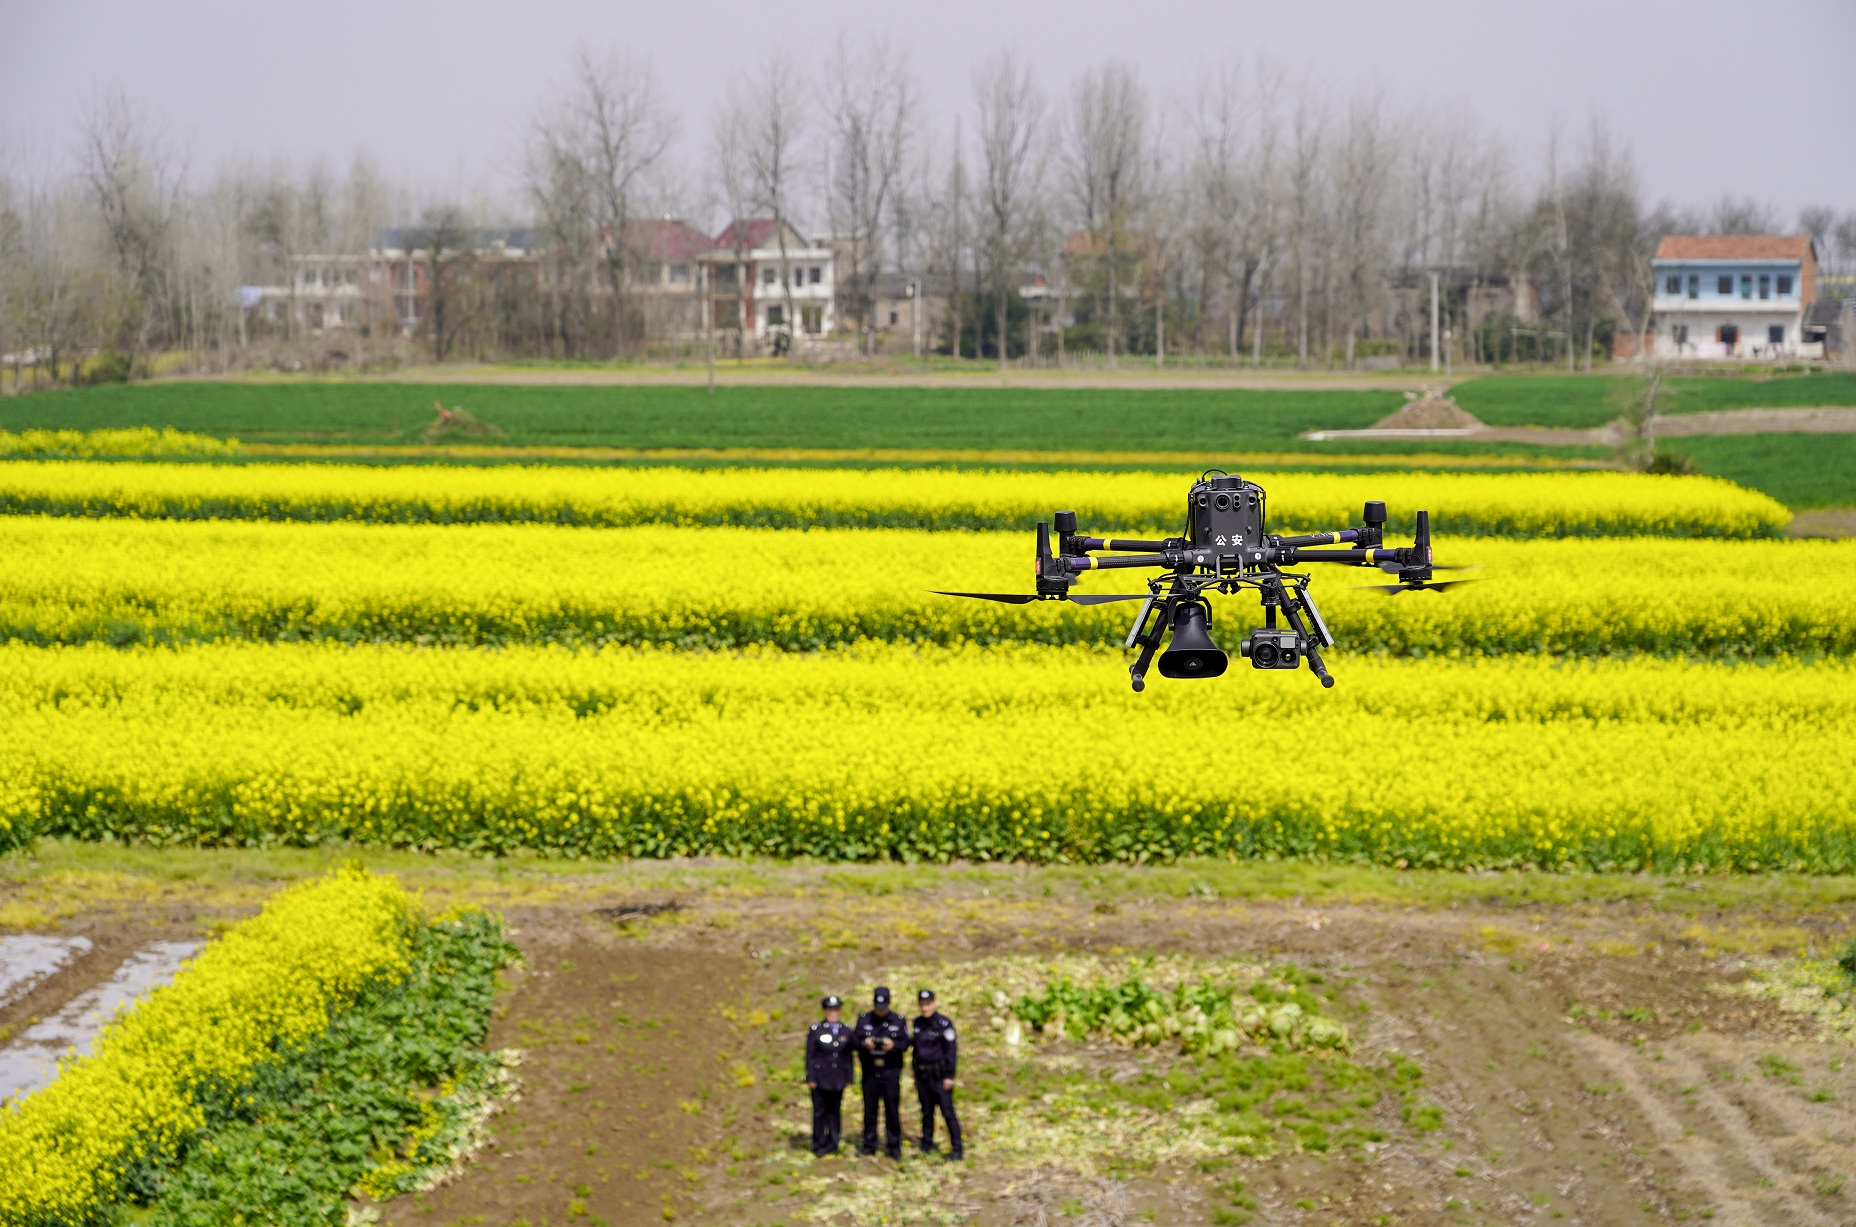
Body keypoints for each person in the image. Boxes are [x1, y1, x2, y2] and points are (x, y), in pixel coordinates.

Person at [853, 985, 911, 1158]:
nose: (880, 1011)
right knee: (870, 1110)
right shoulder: (864, 1019)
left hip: (890, 1072)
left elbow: (906, 1043)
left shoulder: (898, 1020)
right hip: (870, 1072)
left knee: (892, 1110)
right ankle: (869, 1144)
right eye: (877, 1007)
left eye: (883, 1007)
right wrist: (865, 1043)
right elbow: (854, 1041)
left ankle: (894, 1146)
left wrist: (893, 1046)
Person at [911, 988, 962, 1160]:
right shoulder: (917, 1023)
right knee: (926, 1112)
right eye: (922, 1004)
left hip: (940, 1077)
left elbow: (951, 1051)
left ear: (935, 1003)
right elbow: (916, 1051)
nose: (925, 1008)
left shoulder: (944, 1024)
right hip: (924, 1076)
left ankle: (957, 1149)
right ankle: (926, 1145)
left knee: (947, 1113)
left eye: (928, 1004)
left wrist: (950, 1075)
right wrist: (916, 1075)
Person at [805, 995, 856, 1156]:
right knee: (820, 1112)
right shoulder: (816, 1030)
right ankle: (819, 1144)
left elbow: (848, 1056)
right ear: (825, 1011)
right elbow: (810, 1055)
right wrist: (810, 1077)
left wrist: (849, 1077)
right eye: (830, 1010)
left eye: (836, 1010)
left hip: (837, 1077)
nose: (833, 1013)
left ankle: (833, 1143)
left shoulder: (845, 1030)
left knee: (835, 1111)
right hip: (820, 1078)